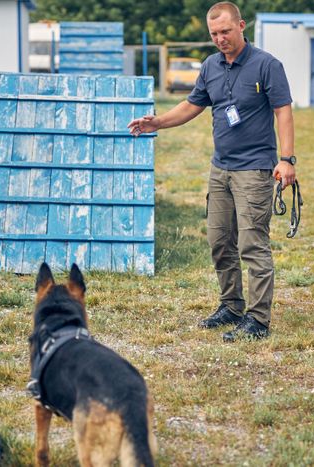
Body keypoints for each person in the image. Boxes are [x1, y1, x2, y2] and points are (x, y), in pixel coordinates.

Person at [127, 1, 296, 342]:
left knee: (252, 244)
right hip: (220, 169)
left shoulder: (267, 65)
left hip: (254, 170)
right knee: (220, 242)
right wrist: (157, 121)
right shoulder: (210, 66)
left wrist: (287, 160)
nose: (220, 39)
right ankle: (231, 305)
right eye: (214, 34)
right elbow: (193, 104)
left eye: (226, 31)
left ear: (241, 26)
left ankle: (258, 320)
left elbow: (284, 112)